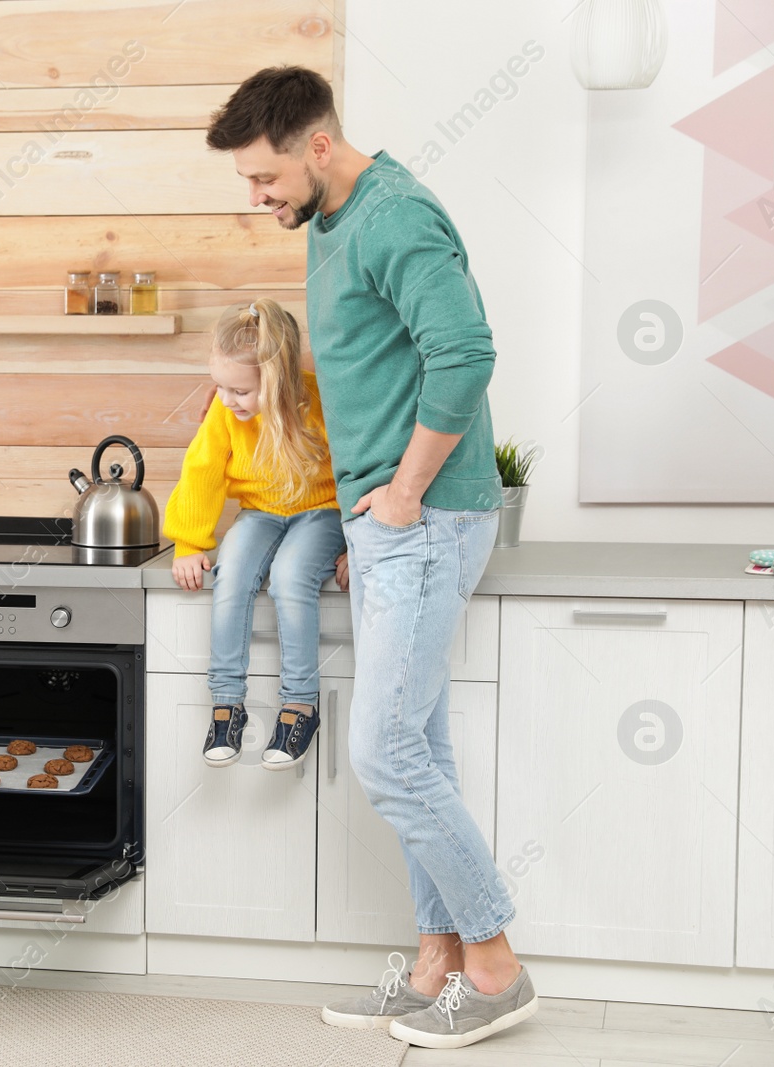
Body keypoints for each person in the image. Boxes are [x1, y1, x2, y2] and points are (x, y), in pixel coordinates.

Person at [205, 67, 539, 1050]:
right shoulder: (326, 219)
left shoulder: (395, 215)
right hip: (389, 530)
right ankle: (438, 961)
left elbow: (466, 352)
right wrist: (360, 516)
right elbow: (369, 368)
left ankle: (496, 964)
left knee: (383, 752)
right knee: (419, 746)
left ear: (316, 146)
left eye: (263, 178)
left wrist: (399, 493)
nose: (256, 199)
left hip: (428, 519)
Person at [166, 298, 345, 770]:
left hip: (321, 512)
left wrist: (363, 546)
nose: (226, 400)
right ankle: (227, 704)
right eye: (220, 386)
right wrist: (189, 542)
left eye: (239, 391)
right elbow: (201, 471)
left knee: (289, 578)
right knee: (232, 574)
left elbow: (359, 469)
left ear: (278, 377)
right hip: (260, 512)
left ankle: (300, 706)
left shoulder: (322, 402)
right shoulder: (226, 413)